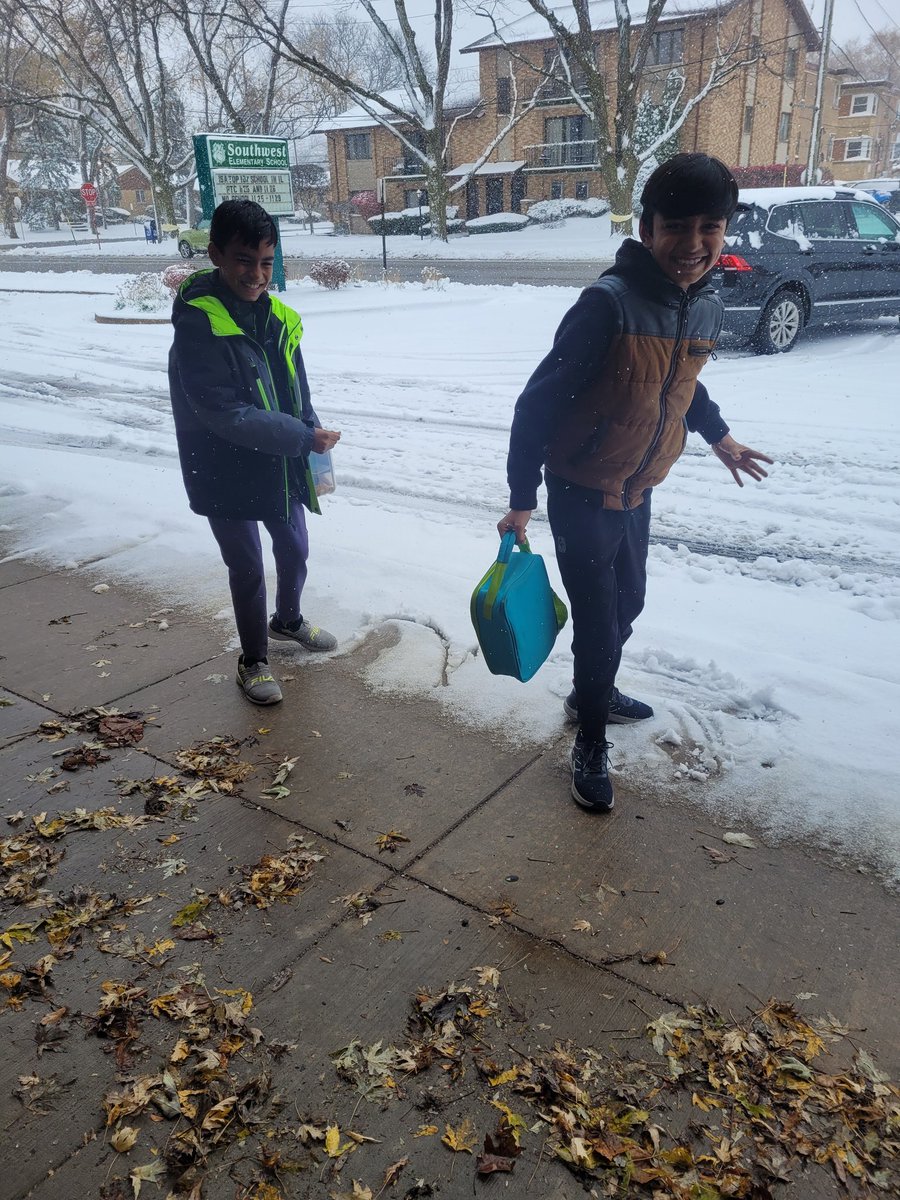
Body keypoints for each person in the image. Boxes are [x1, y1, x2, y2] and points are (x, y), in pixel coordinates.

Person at [496, 154, 772, 813]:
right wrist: (520, 498)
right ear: (647, 229)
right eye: (678, 226)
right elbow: (535, 404)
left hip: (638, 487)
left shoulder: (701, 304)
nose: (695, 244)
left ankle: (594, 687)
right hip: (581, 486)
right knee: (598, 620)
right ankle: (589, 735)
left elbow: (678, 384)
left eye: (712, 227)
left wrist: (718, 434)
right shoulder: (606, 307)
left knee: (629, 606)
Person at [168, 198, 341, 706]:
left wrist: (310, 432)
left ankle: (287, 620)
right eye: (245, 259)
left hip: (281, 460)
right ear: (217, 254)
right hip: (222, 466)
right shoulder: (199, 324)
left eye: (267, 261)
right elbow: (221, 411)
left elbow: (297, 389)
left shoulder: (280, 317)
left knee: (295, 548)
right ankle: (253, 659)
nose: (256, 274)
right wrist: (298, 436)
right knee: (246, 565)